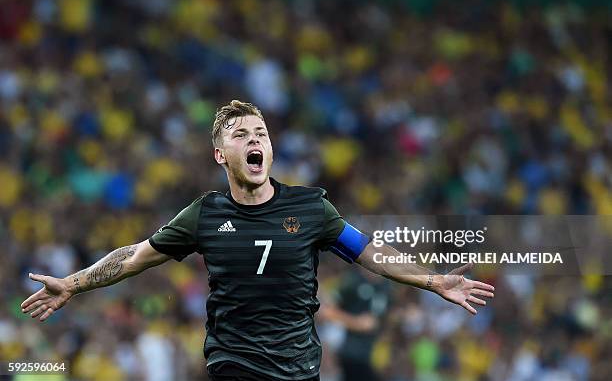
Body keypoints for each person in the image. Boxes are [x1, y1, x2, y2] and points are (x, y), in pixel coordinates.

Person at [21, 100, 495, 381]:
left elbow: (371, 252)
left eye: (262, 133)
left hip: (298, 368)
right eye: (241, 134)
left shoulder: (312, 209)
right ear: (220, 154)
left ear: (269, 148)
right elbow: (132, 258)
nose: (255, 140)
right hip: (235, 363)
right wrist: (74, 284)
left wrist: (433, 280)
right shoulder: (204, 214)